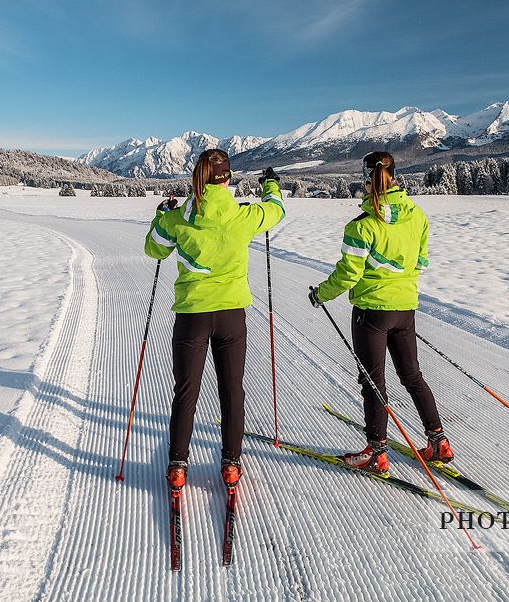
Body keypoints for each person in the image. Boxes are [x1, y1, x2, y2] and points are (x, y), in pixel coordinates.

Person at [144, 149, 284, 492]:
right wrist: (271, 186)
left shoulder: (177, 218)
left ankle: (178, 465)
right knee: (232, 390)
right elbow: (277, 211)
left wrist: (160, 215)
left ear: (198, 177)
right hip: (232, 315)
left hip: (192, 315)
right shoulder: (244, 216)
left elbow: (154, 249)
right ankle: (231, 464)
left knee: (186, 391)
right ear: (228, 177)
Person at [308, 151, 452, 474]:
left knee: (373, 382)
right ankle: (438, 440)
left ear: (365, 178)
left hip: (371, 314)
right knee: (412, 376)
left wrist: (321, 294)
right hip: (405, 310)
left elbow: (347, 276)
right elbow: (421, 263)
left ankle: (376, 452)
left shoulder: (362, 226)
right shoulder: (418, 217)